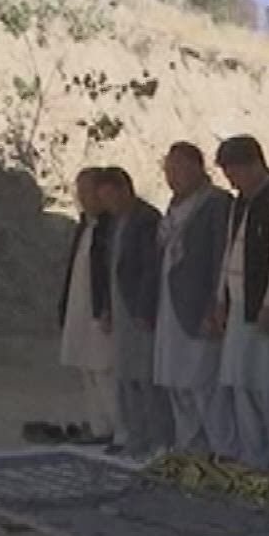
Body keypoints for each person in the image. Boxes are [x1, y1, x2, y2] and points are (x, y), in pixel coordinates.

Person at [211, 135, 269, 471]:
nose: (232, 181)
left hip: (264, 309)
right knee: (240, 384)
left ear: (255, 164)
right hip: (239, 306)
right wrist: (222, 298)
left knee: (266, 388)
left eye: (235, 172)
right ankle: (252, 457)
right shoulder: (241, 202)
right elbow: (231, 252)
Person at [151, 142, 233, 453]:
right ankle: (190, 451)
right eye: (169, 170)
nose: (173, 177)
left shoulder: (215, 204)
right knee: (177, 383)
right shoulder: (174, 206)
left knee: (204, 385)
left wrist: (215, 304)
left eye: (179, 169)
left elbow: (220, 257)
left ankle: (221, 452)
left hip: (199, 308)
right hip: (172, 308)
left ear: (198, 168)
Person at [97, 166, 171, 455]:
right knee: (126, 377)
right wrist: (106, 307)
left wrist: (144, 308)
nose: (108, 204)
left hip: (139, 310)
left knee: (146, 378)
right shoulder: (116, 223)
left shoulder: (146, 219)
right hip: (121, 308)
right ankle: (134, 436)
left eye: (111, 197)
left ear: (125, 190)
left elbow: (151, 268)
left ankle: (158, 440)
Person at [58, 167, 117, 443]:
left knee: (104, 369)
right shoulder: (85, 226)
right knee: (86, 367)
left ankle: (117, 428)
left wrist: (108, 306)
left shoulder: (110, 228)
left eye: (88, 191)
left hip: (101, 310)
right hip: (80, 305)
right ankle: (98, 427)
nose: (82, 197)